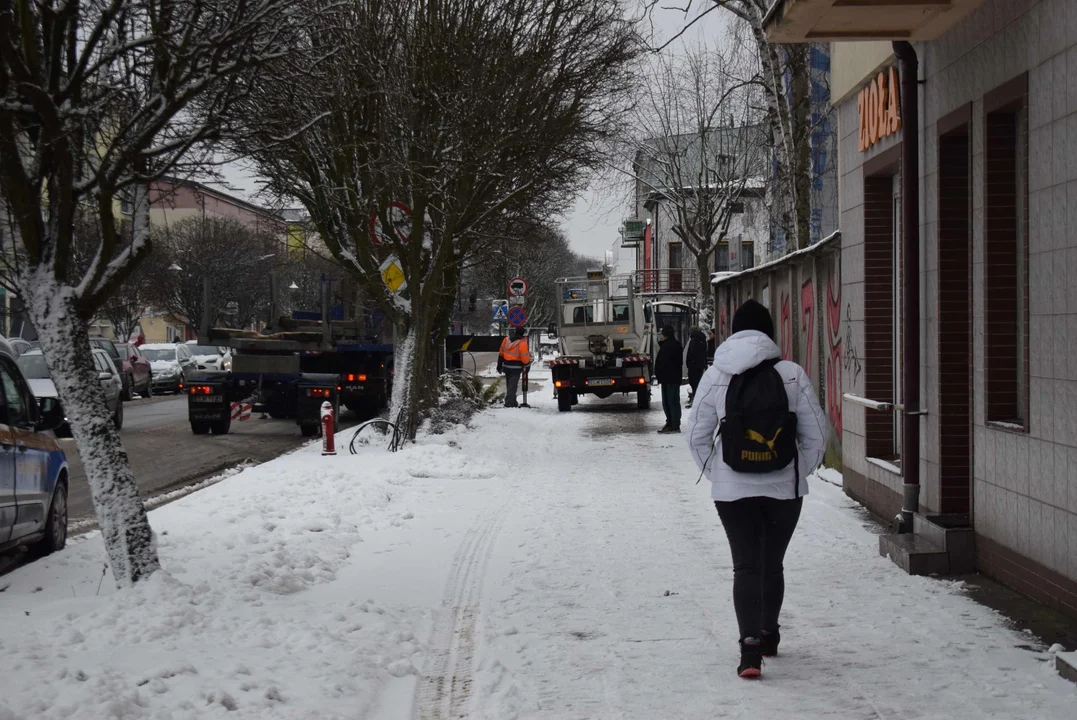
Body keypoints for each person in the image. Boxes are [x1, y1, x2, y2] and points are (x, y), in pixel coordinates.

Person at [685, 299, 827, 679]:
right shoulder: (791, 373)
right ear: (769, 333)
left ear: (733, 332)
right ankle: (769, 634)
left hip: (733, 492)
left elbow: (694, 432)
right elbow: (817, 433)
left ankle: (749, 650)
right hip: (785, 490)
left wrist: (718, 472)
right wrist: (799, 470)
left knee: (746, 564)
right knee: (772, 563)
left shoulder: (716, 375)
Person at [653, 325, 683, 433]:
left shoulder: (669, 347)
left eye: (662, 334)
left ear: (666, 335)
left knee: (670, 402)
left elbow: (665, 363)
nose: (661, 336)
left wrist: (660, 374)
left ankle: (673, 424)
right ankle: (671, 423)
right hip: (670, 378)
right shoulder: (672, 345)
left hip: (669, 378)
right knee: (670, 401)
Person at [497, 328, 531, 408]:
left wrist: (499, 365)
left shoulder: (506, 340)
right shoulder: (522, 343)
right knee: (512, 386)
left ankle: (512, 401)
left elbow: (501, 353)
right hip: (516, 367)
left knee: (509, 385)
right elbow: (525, 358)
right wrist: (527, 365)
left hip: (506, 365)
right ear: (522, 334)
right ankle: (510, 403)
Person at [684, 326, 708, 409]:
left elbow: (693, 353)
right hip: (699, 366)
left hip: (694, 366)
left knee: (694, 384)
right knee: (697, 384)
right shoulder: (702, 339)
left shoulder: (694, 340)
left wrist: (690, 363)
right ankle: (696, 401)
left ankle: (696, 402)